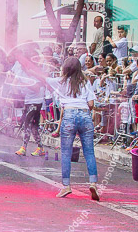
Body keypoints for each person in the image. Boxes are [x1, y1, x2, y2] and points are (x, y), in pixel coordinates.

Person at [37, 56, 99, 200]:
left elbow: (43, 79)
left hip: (69, 113)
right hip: (84, 114)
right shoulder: (85, 82)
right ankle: (93, 183)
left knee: (66, 152)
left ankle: (66, 186)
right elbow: (91, 104)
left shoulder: (61, 82)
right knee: (89, 151)